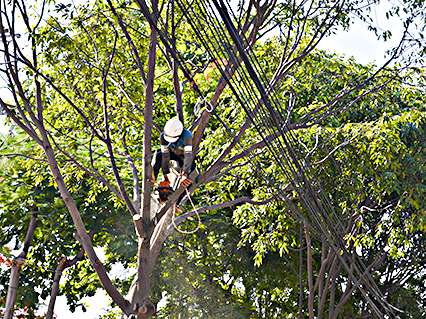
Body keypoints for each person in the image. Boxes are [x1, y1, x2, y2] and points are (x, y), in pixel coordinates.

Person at [152, 118, 194, 188]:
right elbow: (165, 155)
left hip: (183, 157)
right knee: (158, 154)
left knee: (189, 174)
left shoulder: (187, 136)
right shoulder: (163, 136)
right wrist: (165, 175)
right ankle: (152, 178)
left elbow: (188, 156)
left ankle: (183, 194)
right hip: (172, 152)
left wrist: (185, 173)